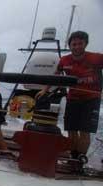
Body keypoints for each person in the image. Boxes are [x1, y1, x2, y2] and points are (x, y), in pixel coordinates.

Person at [36, 31, 103, 161]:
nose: (77, 46)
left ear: (85, 44)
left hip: (91, 99)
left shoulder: (96, 58)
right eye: (74, 44)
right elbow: (56, 75)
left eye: (80, 43)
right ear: (70, 45)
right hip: (73, 99)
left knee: (84, 131)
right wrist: (45, 90)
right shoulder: (64, 60)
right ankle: (73, 157)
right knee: (71, 130)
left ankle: (80, 160)